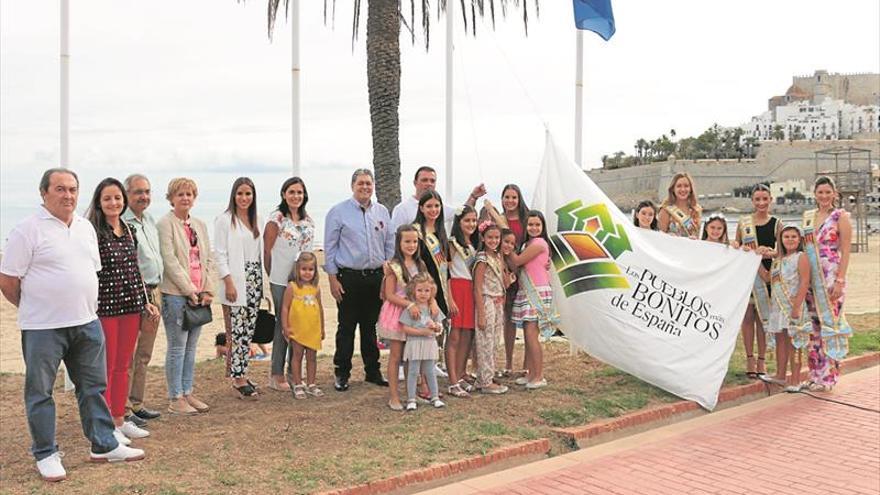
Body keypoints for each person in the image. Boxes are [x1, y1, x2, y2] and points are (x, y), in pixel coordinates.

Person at [0, 168, 144, 482]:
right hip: (43, 328)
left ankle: (103, 444)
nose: (68, 195)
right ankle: (46, 453)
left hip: (86, 323)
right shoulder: (27, 230)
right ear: (44, 193)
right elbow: (9, 280)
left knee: (93, 387)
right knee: (40, 392)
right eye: (60, 189)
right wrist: (36, 307)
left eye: (73, 189)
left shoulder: (84, 228)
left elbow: (90, 270)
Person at [86, 177, 159, 445]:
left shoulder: (129, 229)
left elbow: (134, 269)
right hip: (105, 308)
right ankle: (106, 424)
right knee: (106, 367)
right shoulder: (92, 231)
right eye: (107, 198)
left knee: (123, 366)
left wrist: (145, 300)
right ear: (99, 202)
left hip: (131, 306)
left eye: (117, 198)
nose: (113, 203)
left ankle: (119, 419)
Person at [323, 169, 394, 391]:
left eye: (368, 183)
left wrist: (387, 273)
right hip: (349, 278)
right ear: (352, 185)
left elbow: (389, 244)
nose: (365, 187)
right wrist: (333, 280)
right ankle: (342, 373)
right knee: (346, 327)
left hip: (375, 278)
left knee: (370, 328)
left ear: (373, 186)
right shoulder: (338, 212)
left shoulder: (382, 211)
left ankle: (372, 371)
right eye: (361, 183)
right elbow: (330, 247)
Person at [157, 177, 216, 415]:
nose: (185, 198)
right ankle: (175, 397)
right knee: (177, 346)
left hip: (199, 294)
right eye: (180, 194)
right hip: (176, 294)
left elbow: (208, 258)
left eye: (189, 194)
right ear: (171, 198)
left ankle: (187, 390)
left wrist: (207, 288)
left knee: (192, 346)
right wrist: (189, 290)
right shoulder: (165, 224)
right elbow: (169, 261)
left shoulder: (199, 225)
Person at [264, 177, 315, 391]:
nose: (296, 196)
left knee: (299, 324)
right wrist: (273, 276)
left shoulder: (308, 220)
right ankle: (276, 374)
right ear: (284, 194)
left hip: (302, 282)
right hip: (281, 280)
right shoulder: (276, 219)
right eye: (292, 192)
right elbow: (266, 251)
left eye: (299, 192)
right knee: (282, 324)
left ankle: (295, 373)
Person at [802, 176, 853, 391]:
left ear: (834, 194)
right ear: (814, 194)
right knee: (813, 328)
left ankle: (830, 376)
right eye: (820, 192)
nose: (824, 196)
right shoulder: (808, 217)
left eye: (827, 192)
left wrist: (840, 280)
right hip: (811, 278)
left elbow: (846, 250)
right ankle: (815, 374)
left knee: (830, 326)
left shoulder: (840, 217)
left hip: (831, 276)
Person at [215, 177, 264, 400]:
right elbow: (220, 254)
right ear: (233, 195)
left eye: (248, 194)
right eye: (240, 194)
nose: (244, 198)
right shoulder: (225, 220)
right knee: (237, 331)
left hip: (254, 279)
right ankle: (238, 379)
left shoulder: (257, 220)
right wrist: (228, 282)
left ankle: (242, 372)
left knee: (248, 331)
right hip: (236, 280)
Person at [122, 174, 164, 426]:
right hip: (135, 294)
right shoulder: (123, 222)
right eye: (138, 192)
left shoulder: (148, 219)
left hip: (154, 291)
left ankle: (137, 403)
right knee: (128, 353)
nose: (143, 196)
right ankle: (123, 407)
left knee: (144, 354)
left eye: (147, 191)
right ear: (127, 194)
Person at [378, 225, 429, 410]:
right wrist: (409, 304)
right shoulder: (394, 266)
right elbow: (390, 294)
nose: (411, 245)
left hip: (415, 313)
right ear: (399, 243)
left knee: (412, 356)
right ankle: (393, 396)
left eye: (415, 241)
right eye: (407, 241)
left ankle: (411, 395)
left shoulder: (420, 264)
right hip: (398, 312)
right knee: (396, 356)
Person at [507, 210, 559, 389]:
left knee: (531, 335)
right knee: (528, 335)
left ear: (543, 226)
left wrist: (507, 247)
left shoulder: (539, 243)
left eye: (537, 225)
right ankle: (530, 373)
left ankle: (539, 376)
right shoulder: (527, 243)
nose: (534, 228)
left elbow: (518, 261)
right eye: (530, 224)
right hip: (526, 291)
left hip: (537, 291)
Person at [734, 184, 781, 379]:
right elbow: (737, 248)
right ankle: (749, 359)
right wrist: (741, 248)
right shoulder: (743, 223)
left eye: (765, 199)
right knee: (747, 318)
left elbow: (782, 250)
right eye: (757, 199)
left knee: (763, 320)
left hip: (768, 277)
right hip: (747, 278)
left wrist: (766, 253)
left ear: (770, 199)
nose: (761, 203)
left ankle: (762, 360)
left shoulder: (778, 223)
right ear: (752, 201)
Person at [763, 224, 811, 391]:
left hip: (793, 306)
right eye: (786, 237)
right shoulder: (778, 261)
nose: (790, 240)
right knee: (780, 340)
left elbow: (805, 281)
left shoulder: (801, 257)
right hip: (778, 307)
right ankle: (781, 375)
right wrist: (754, 259)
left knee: (794, 342)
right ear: (781, 240)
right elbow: (768, 279)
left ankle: (796, 380)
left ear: (799, 240)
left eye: (793, 237)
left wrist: (797, 306)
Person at [399, 273, 447, 411]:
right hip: (414, 344)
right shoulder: (411, 308)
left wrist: (437, 328)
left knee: (430, 370)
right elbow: (405, 328)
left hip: (429, 344)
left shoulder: (433, 309)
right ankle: (411, 399)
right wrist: (422, 332)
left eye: (427, 290)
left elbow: (440, 326)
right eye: (419, 290)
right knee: (413, 371)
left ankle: (435, 397)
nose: (423, 294)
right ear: (413, 290)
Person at [472, 222, 510, 395]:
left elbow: (505, 282)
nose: (494, 241)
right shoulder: (482, 259)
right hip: (486, 301)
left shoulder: (497, 257)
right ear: (483, 238)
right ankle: (485, 381)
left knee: (494, 341)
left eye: (496, 238)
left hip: (498, 301)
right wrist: (481, 313)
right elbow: (478, 288)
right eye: (490, 237)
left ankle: (487, 376)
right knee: (485, 341)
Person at [281, 252, 325, 399]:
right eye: (304, 269)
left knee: (312, 357)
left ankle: (311, 384)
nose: (307, 272)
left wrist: (322, 328)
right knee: (297, 356)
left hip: (312, 329)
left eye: (310, 269)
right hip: (298, 329)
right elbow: (285, 307)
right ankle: (298, 383)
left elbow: (320, 308)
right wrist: (285, 326)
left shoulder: (316, 289)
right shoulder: (292, 287)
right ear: (297, 269)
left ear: (315, 271)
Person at [446, 205, 479, 398]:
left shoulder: (473, 243)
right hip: (456, 289)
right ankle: (451, 381)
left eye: (474, 220)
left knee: (467, 335)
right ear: (459, 222)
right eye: (467, 220)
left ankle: (459, 375)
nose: (471, 224)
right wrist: (449, 297)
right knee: (455, 336)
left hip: (469, 290)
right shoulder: (452, 243)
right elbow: (446, 271)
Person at [390, 165, 485, 230]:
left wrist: (473, 197)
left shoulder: (439, 208)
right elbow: (394, 239)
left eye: (432, 181)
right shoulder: (402, 209)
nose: (429, 184)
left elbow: (462, 212)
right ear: (415, 183)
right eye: (424, 180)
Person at [658, 172, 702, 238]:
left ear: (690, 189)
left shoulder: (696, 209)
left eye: (686, 186)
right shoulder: (666, 210)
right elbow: (660, 237)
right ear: (673, 189)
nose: (683, 189)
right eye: (679, 186)